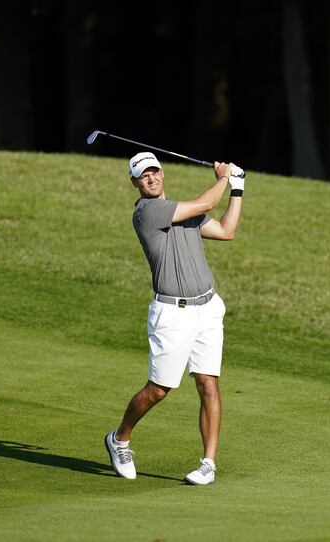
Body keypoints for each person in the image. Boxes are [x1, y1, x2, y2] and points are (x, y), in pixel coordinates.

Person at [104, 151, 244, 485]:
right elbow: (206, 204)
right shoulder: (148, 213)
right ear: (135, 183)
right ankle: (120, 438)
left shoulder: (186, 212)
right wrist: (224, 176)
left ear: (163, 174)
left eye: (154, 172)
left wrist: (237, 189)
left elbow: (227, 231)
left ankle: (208, 463)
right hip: (171, 313)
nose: (150, 178)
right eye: (143, 176)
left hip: (208, 308)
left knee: (208, 383)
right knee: (159, 390)